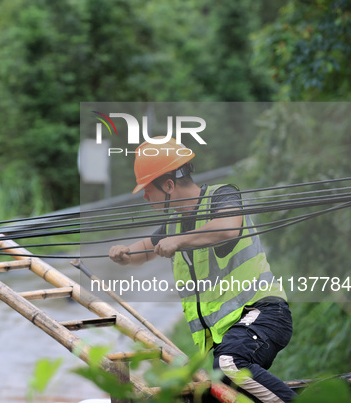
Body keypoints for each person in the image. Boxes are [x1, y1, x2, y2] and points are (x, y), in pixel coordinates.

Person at [109, 138, 296, 403]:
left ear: (170, 185)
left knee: (231, 363)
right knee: (212, 392)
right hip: (232, 332)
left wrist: (178, 241)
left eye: (148, 188)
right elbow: (148, 248)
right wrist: (126, 254)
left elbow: (228, 227)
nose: (145, 196)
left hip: (263, 313)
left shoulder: (223, 196)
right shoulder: (174, 223)